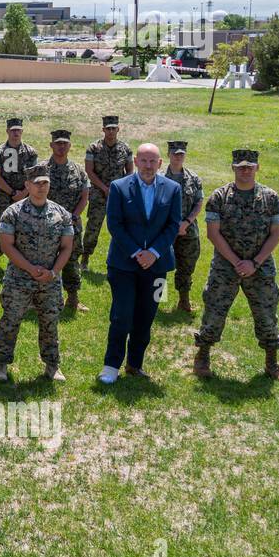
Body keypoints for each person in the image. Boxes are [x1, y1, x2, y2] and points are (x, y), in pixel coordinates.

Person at [193, 150, 279, 381]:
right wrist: (237, 262)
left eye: (250, 166)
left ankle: (272, 362)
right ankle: (202, 356)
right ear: (233, 168)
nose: (245, 170)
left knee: (266, 313)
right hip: (226, 265)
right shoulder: (219, 197)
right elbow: (213, 234)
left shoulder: (271, 198)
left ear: (257, 168)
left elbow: (275, 235)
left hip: (260, 265)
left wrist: (254, 262)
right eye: (241, 166)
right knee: (214, 310)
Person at [98, 143, 182, 384]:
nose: (147, 166)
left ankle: (135, 364)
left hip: (158, 266)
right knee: (121, 316)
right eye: (143, 161)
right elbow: (115, 224)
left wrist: (154, 253)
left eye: (152, 161)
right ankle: (111, 365)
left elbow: (173, 225)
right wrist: (137, 252)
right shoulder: (119, 187)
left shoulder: (173, 189)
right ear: (135, 161)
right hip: (123, 264)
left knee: (147, 316)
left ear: (160, 164)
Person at [0, 162, 75, 382]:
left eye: (45, 183)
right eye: (37, 183)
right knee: (10, 320)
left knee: (50, 322)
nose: (41, 187)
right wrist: (30, 268)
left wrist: (54, 272)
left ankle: (52, 365)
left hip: (49, 280)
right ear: (27, 185)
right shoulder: (13, 212)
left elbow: (67, 246)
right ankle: (0, 363)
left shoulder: (61, 214)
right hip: (19, 278)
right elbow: (7, 245)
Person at [45, 129, 91, 313]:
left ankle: (73, 298)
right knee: (45, 260)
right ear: (51, 145)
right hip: (46, 224)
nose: (61, 146)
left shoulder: (79, 171)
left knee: (71, 261)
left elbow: (84, 197)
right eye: (58, 143)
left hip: (71, 225)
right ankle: (40, 298)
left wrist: (72, 218)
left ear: (70, 146)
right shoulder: (42, 169)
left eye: (65, 143)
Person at [0, 118, 38, 272]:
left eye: (18, 130)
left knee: (25, 226)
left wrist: (23, 193)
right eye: (13, 130)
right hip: (4, 195)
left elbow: (35, 175)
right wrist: (12, 192)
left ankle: (21, 260)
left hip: (25, 194)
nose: (16, 133)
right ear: (7, 131)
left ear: (22, 131)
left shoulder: (30, 152)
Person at [82, 115, 132, 270]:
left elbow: (130, 172)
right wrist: (104, 189)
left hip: (118, 197)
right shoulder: (94, 148)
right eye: (108, 128)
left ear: (118, 129)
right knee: (93, 228)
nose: (111, 131)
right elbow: (89, 171)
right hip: (98, 195)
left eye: (113, 128)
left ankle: (122, 260)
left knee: (122, 229)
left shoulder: (125, 149)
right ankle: (84, 260)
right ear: (103, 129)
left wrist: (118, 189)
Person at [164, 141, 204, 315]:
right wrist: (172, 226)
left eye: (181, 154)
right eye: (175, 153)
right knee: (159, 265)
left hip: (187, 230)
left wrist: (186, 222)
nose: (178, 156)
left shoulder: (193, 178)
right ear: (168, 154)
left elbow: (198, 202)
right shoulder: (159, 177)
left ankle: (184, 300)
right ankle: (156, 300)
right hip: (164, 230)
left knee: (186, 266)